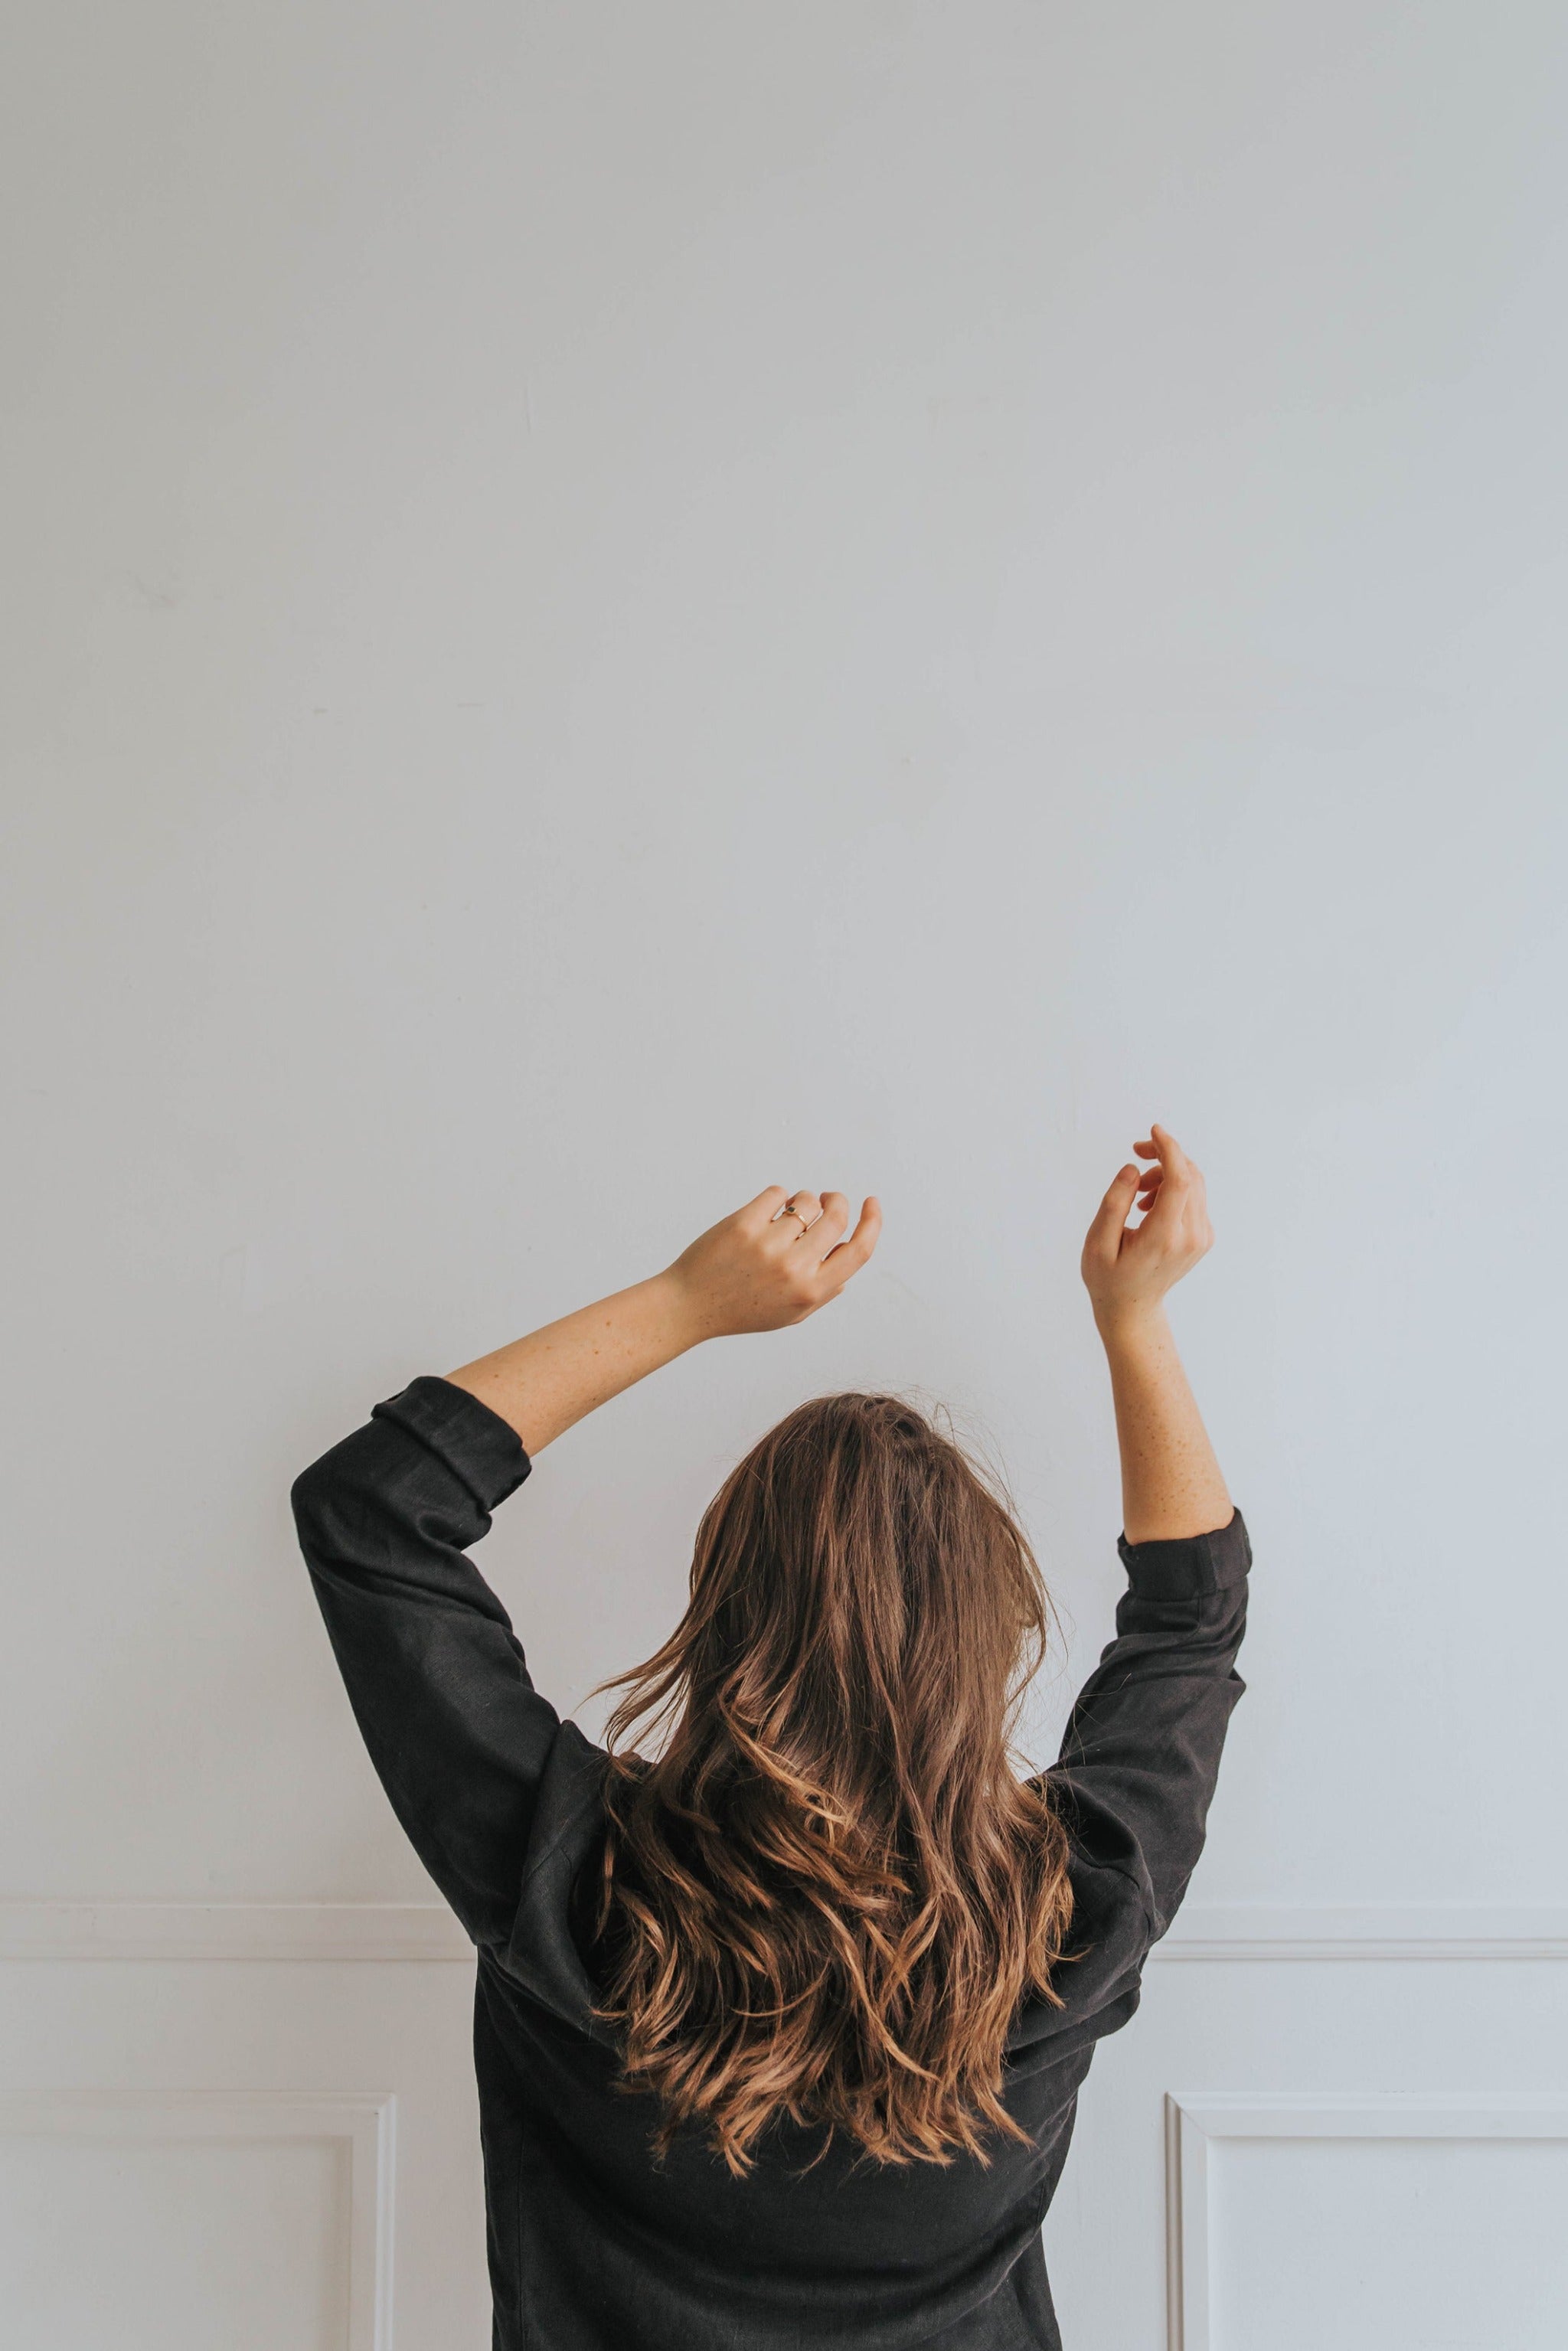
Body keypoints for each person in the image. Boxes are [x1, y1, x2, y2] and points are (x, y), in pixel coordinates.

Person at [291, 1122, 1248, 2350]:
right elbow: (1192, 1627)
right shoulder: (1072, 1910)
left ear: (721, 1613)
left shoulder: (567, 1870)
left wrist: (689, 1301)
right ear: (989, 1639)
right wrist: (1137, 1319)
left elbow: (374, 1513)